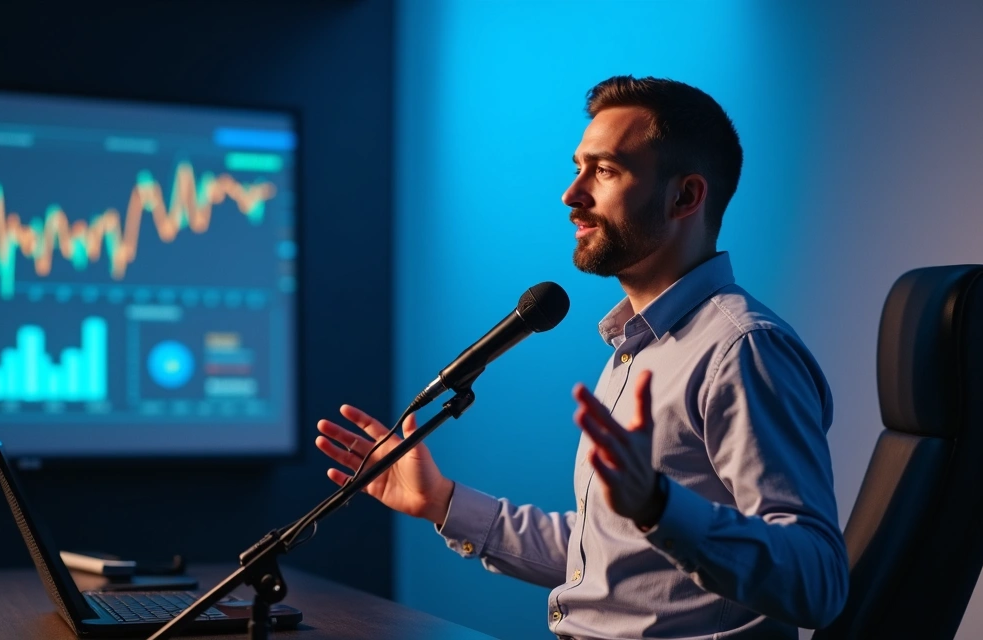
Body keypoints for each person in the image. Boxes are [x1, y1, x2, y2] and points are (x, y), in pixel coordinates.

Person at [314, 76, 849, 639]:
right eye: (578, 167)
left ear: (685, 197)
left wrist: (659, 506)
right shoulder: (640, 344)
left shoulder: (741, 350)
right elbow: (609, 561)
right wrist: (442, 502)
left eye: (606, 170)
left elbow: (817, 582)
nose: (572, 195)